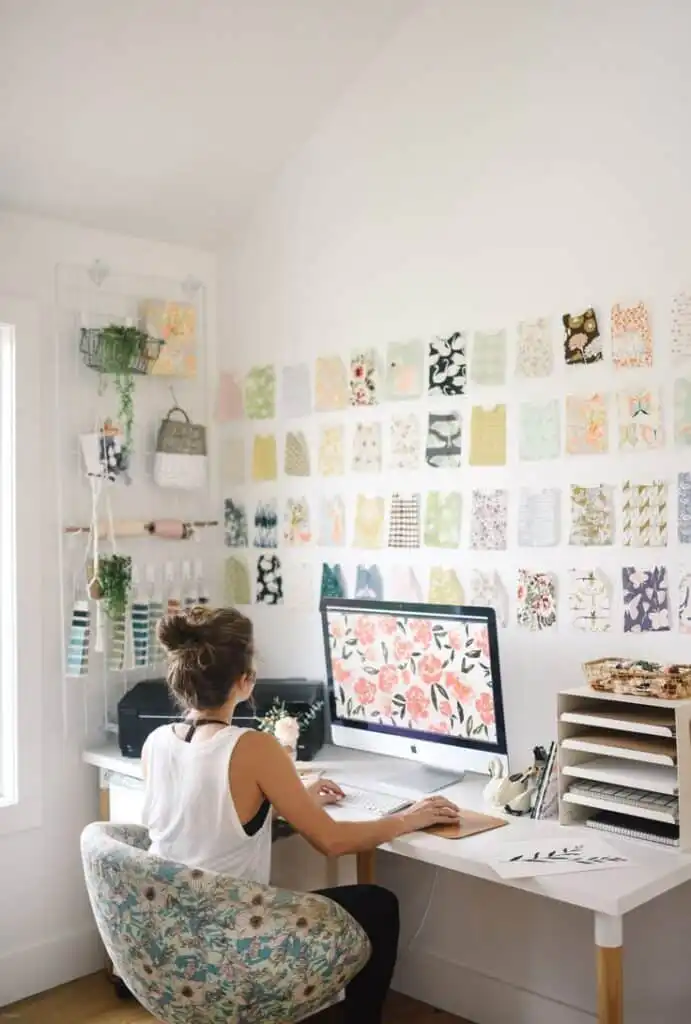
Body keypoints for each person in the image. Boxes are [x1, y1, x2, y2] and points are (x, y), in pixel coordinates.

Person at [141, 606, 461, 1024]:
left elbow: (208, 825)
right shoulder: (251, 747)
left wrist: (294, 799)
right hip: (230, 941)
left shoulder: (157, 742)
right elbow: (333, 842)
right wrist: (409, 818)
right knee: (378, 904)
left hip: (171, 938)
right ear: (245, 681)